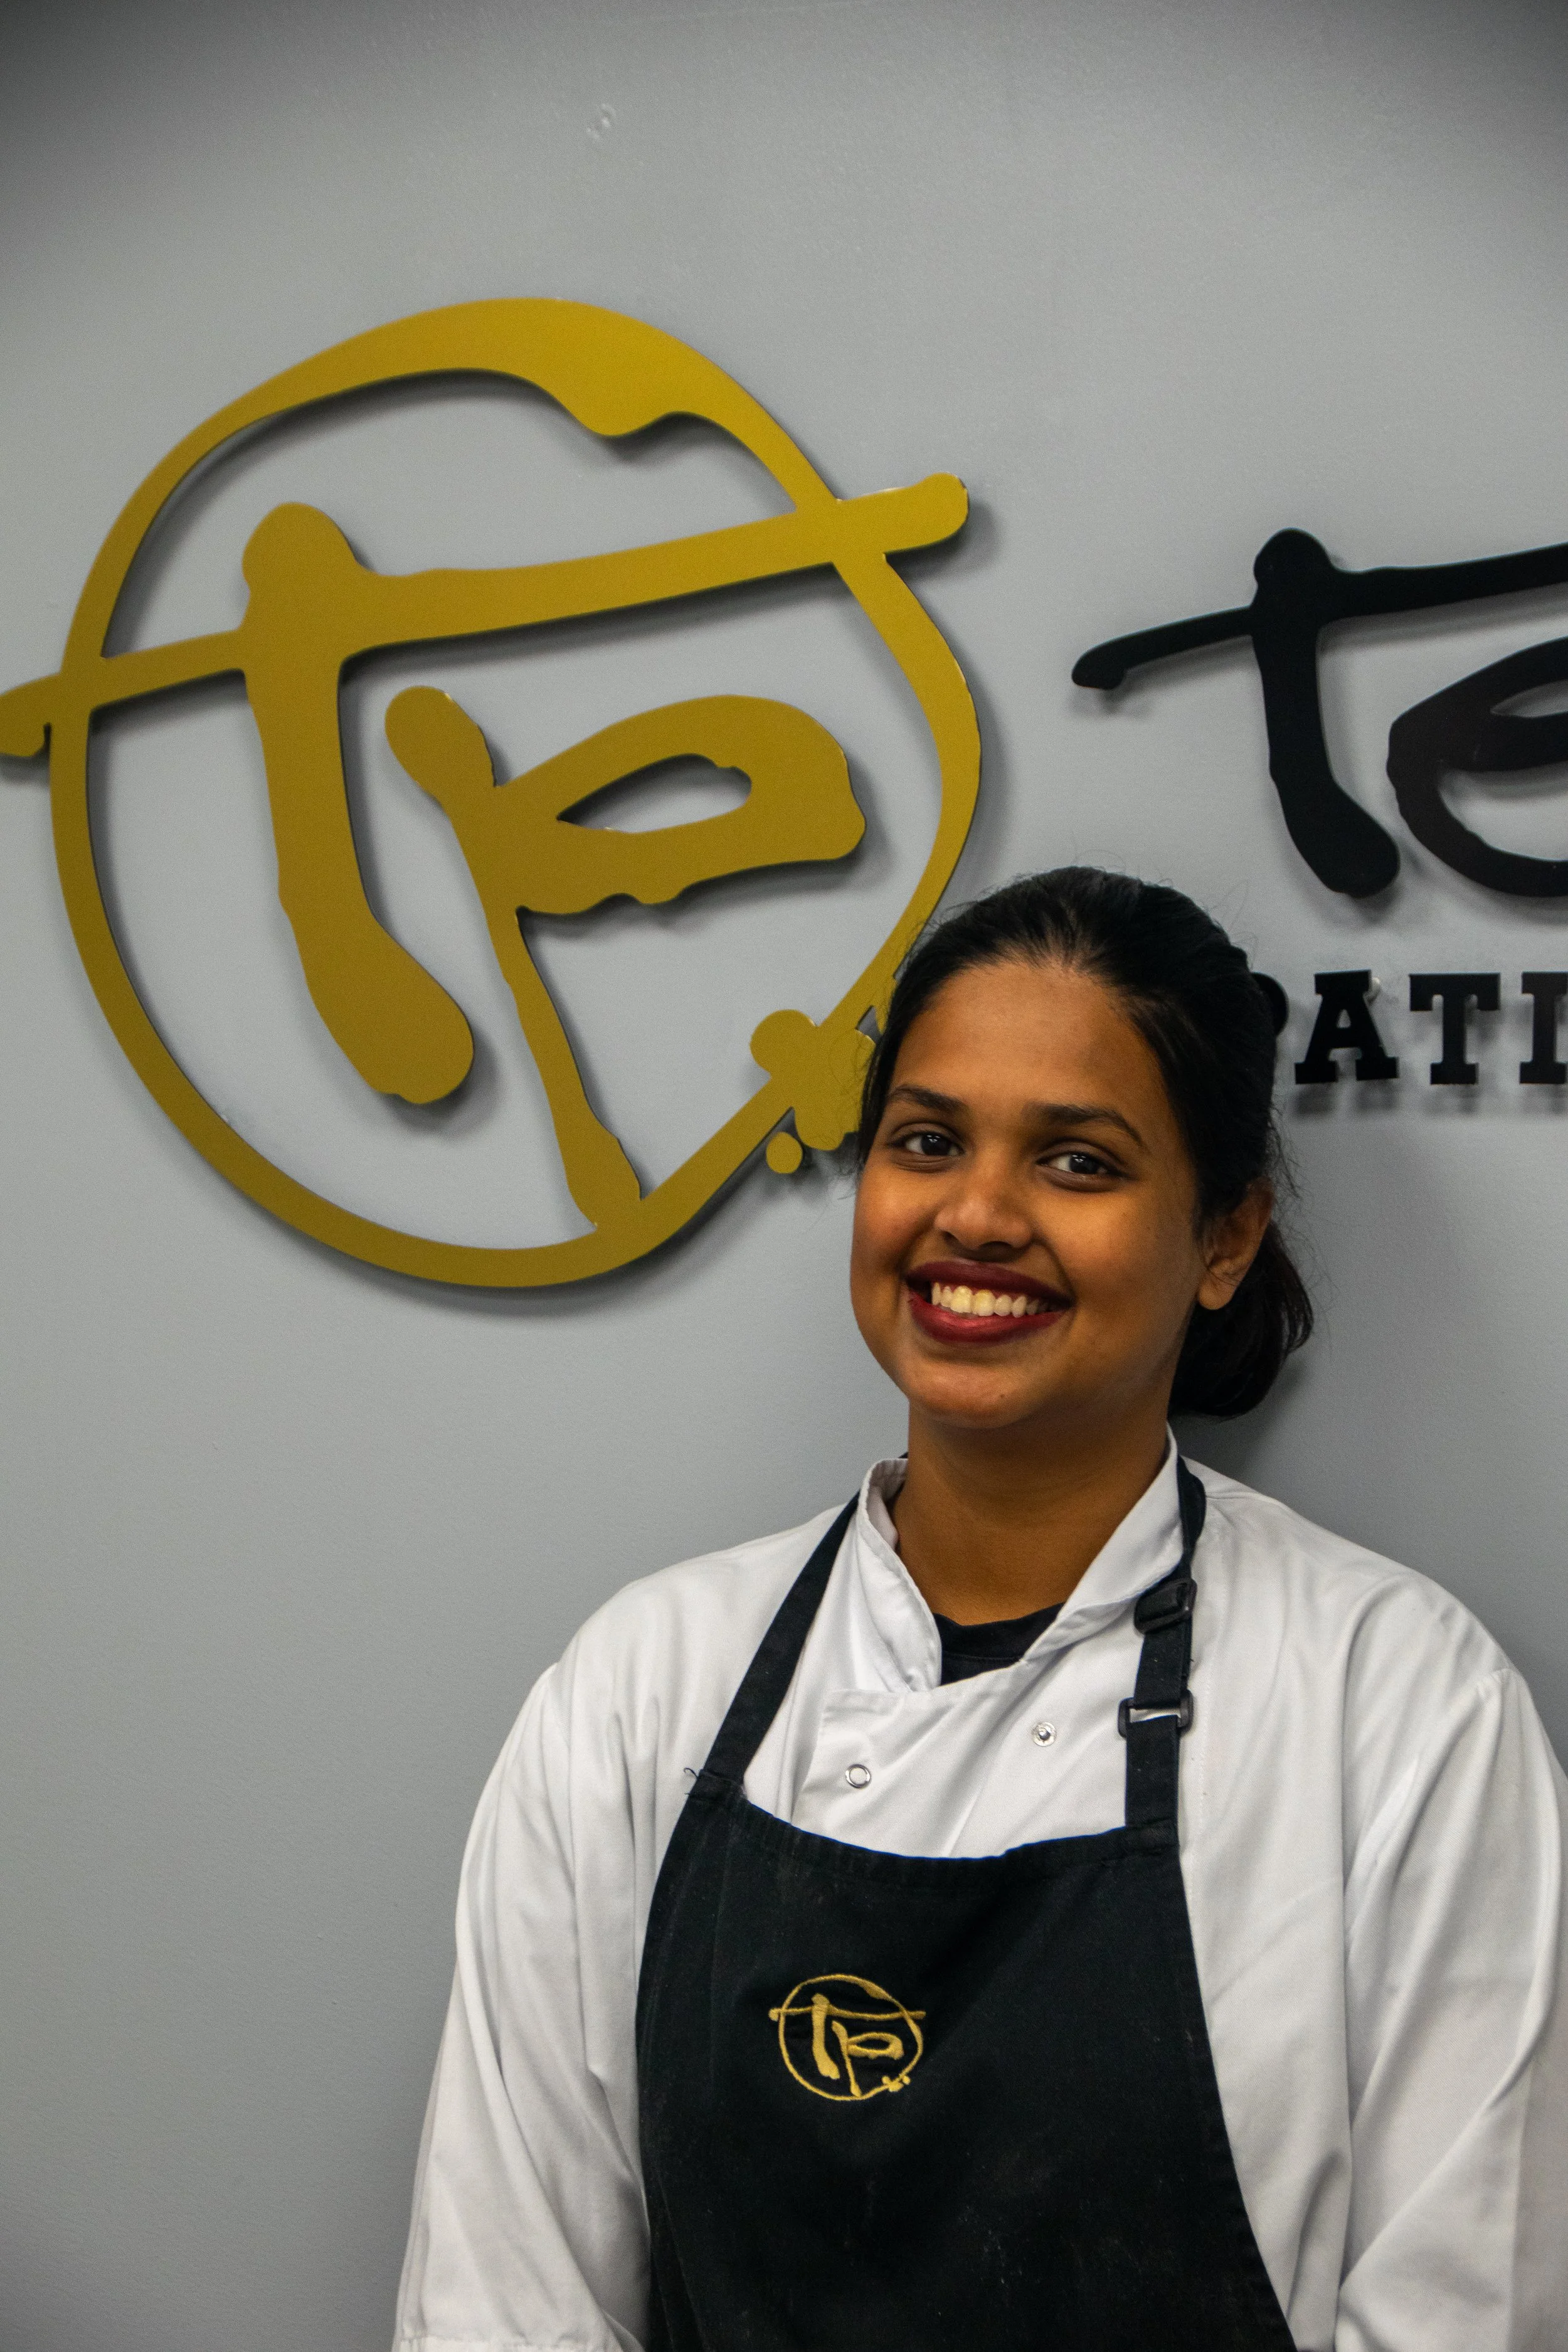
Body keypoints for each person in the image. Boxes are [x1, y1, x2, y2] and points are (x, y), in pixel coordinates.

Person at [392, 867, 1568, 2352]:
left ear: (1222, 1239)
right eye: (926, 1140)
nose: (977, 1214)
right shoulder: (643, 1684)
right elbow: (502, 2303)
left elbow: (1469, 2310)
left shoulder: (1397, 1708)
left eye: (1076, 1163)